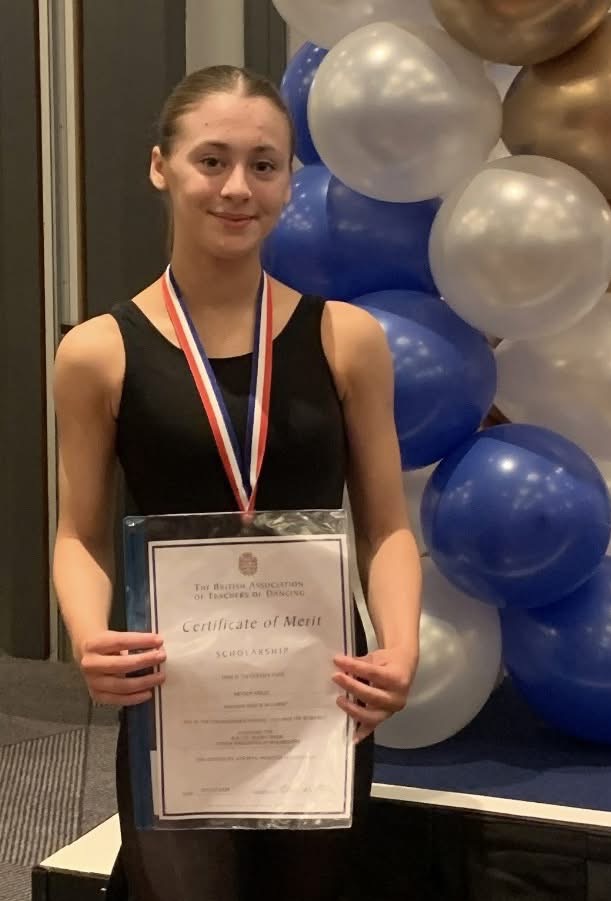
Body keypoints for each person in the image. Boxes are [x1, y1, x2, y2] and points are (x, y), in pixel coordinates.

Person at [52, 65, 422, 901]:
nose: (236, 188)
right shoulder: (97, 352)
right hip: (173, 691)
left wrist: (400, 645)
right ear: (161, 167)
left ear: (289, 179)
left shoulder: (346, 339)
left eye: (263, 165)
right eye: (211, 160)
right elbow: (77, 534)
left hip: (318, 688)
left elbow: (387, 525)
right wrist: (88, 636)